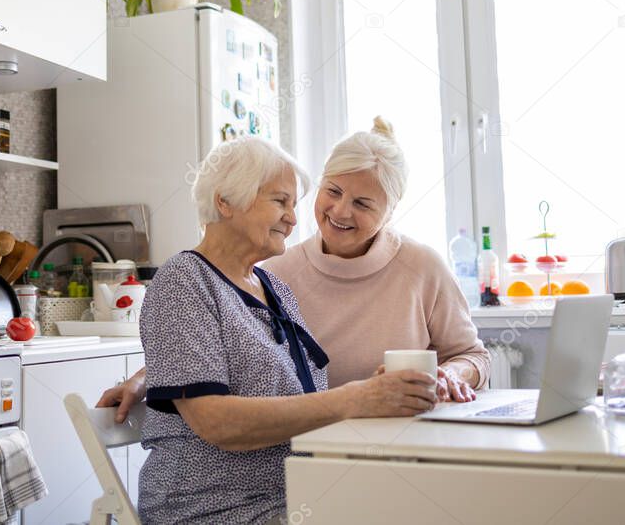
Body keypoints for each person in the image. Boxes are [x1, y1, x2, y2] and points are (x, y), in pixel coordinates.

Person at [101, 117, 488, 422]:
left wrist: (452, 375)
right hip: (317, 449)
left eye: (363, 204)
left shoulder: (421, 268)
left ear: (389, 212)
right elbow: (205, 351)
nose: (340, 212)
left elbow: (473, 355)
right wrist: (145, 378)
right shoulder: (274, 273)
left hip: (389, 440)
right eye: (333, 192)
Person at [135, 136, 436, 524]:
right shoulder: (184, 280)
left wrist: (378, 394)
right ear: (225, 200)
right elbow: (215, 420)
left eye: (294, 204)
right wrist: (355, 398)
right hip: (214, 508)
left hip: (296, 494)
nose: (294, 219)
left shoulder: (274, 289)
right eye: (280, 201)